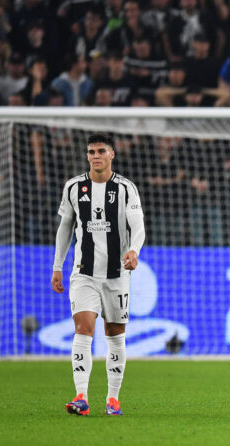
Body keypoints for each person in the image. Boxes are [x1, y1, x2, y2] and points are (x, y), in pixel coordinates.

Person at [51, 133, 145, 416]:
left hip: (117, 274)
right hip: (84, 273)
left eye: (101, 151)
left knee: (115, 334)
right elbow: (65, 228)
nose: (95, 156)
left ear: (112, 154)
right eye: (91, 151)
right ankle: (81, 396)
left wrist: (135, 251)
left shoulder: (126, 188)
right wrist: (58, 265)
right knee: (83, 329)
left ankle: (112, 399)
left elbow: (137, 225)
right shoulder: (73, 187)